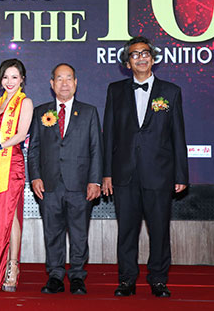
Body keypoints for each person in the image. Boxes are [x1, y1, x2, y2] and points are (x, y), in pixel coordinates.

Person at [102, 36, 188, 298]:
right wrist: (106, 173)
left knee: (159, 230)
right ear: (127, 63)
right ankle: (126, 280)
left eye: (145, 53)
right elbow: (109, 135)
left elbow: (178, 135)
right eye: (135, 54)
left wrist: (181, 174)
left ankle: (158, 279)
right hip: (124, 173)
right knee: (127, 230)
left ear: (153, 58)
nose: (141, 58)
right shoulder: (115, 90)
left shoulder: (171, 92)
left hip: (159, 173)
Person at [28, 63, 102, 295]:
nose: (64, 83)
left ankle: (77, 276)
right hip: (49, 184)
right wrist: (35, 177)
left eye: (69, 78)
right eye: (59, 79)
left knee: (79, 233)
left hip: (80, 184)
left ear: (76, 83)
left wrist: (95, 181)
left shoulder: (89, 112)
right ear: (52, 84)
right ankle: (55, 275)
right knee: (52, 232)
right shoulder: (41, 112)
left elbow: (96, 149)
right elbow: (33, 149)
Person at [0, 59, 34, 292]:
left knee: (10, 215)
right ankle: (0, 267)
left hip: (12, 164)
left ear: (22, 79)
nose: (9, 81)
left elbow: (21, 135)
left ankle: (13, 266)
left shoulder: (25, 102)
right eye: (5, 77)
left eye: (14, 77)